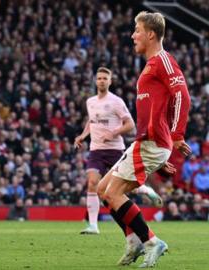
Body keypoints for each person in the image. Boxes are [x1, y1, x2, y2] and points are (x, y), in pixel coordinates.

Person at [97, 11, 191, 267]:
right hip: (148, 142)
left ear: (151, 34)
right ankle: (133, 242)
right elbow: (164, 104)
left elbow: (182, 95)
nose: (133, 35)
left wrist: (176, 135)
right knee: (103, 190)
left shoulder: (163, 61)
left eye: (137, 30)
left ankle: (151, 241)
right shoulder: (151, 65)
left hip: (152, 142)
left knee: (113, 194)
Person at [74, 67, 162, 235]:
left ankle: (145, 190)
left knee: (124, 188)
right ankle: (93, 225)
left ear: (110, 81)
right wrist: (83, 135)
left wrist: (112, 133)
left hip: (115, 149)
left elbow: (130, 125)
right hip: (96, 150)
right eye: (99, 78)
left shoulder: (116, 102)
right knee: (92, 182)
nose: (101, 81)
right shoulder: (90, 102)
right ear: (95, 81)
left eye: (104, 78)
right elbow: (91, 121)